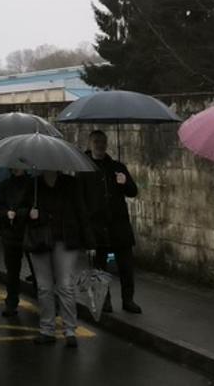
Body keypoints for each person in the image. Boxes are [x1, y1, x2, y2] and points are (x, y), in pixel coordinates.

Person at [22, 171, 93, 347]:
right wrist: (29, 213)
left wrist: (90, 242)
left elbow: (81, 210)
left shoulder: (71, 183)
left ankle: (70, 330)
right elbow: (20, 209)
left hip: (65, 239)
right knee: (44, 287)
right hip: (40, 240)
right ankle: (47, 329)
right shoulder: (34, 184)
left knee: (65, 285)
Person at [84, 130, 142, 313]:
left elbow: (133, 191)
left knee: (126, 266)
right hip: (97, 226)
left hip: (119, 225)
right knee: (100, 268)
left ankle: (128, 300)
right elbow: (81, 200)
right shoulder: (84, 170)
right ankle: (105, 301)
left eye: (103, 141)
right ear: (90, 144)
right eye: (96, 141)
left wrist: (124, 182)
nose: (100, 145)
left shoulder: (117, 167)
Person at [0, 169, 35, 317]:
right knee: (12, 272)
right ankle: (11, 303)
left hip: (29, 233)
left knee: (37, 270)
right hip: (11, 234)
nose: (16, 168)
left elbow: (34, 207)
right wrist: (5, 214)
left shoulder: (32, 185)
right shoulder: (5, 185)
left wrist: (19, 214)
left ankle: (45, 303)